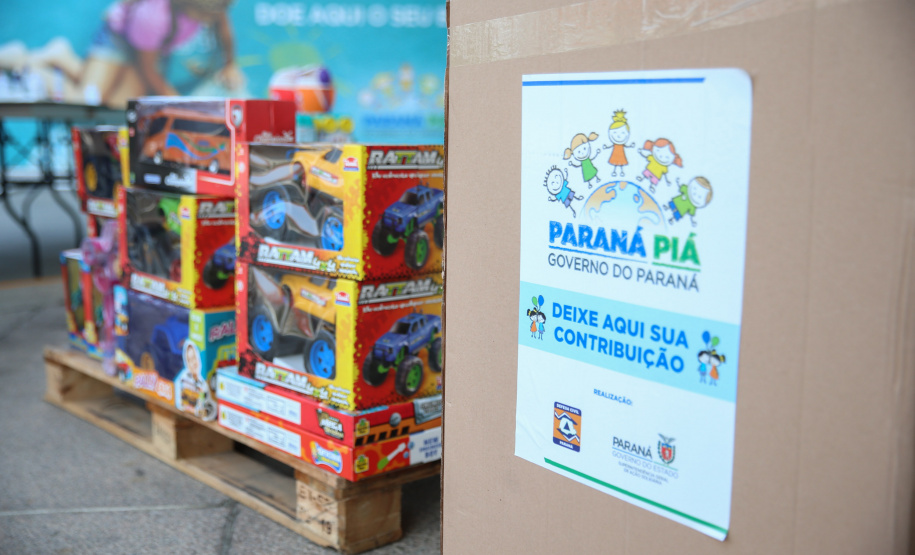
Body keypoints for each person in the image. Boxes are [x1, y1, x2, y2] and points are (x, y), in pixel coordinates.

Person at [81, 0, 242, 106]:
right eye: (207, 16)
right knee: (90, 100)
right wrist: (180, 104)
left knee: (117, 105)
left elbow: (222, 23)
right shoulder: (153, 16)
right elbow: (147, 69)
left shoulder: (212, 5)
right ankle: (66, 58)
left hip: (150, 49)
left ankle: (94, 72)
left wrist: (230, 64)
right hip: (118, 39)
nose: (211, 20)